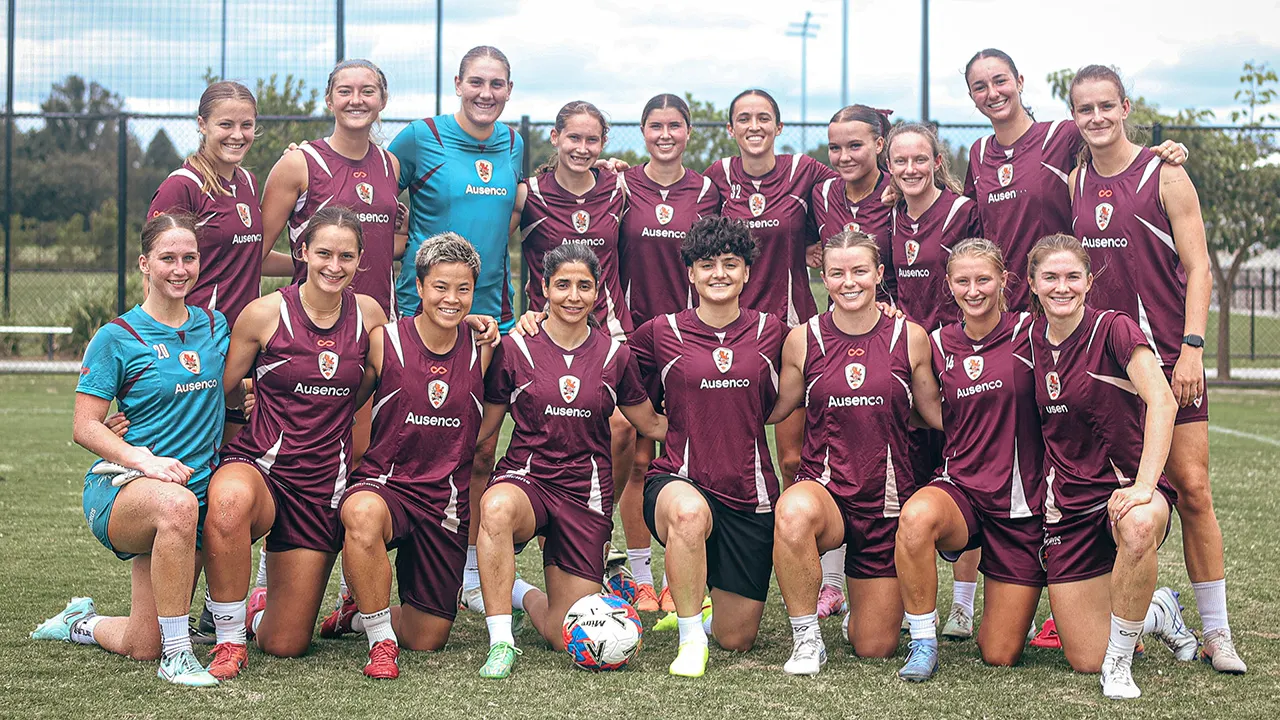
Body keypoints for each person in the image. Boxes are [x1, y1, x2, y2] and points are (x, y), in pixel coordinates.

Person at [962, 49, 1186, 648]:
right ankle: (1024, 584)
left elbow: (1112, 145)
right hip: (1012, 326)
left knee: (1094, 427)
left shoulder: (1062, 135)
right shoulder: (979, 157)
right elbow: (967, 228)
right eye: (979, 86)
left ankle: (1134, 596)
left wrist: (1166, 154)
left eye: (1000, 81)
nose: (992, 93)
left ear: (1020, 83)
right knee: (1026, 437)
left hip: (1068, 309)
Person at [1067, 65, 1242, 673]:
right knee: (1103, 491)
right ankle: (1132, 609)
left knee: (1193, 491)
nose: (1096, 118)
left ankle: (1217, 631)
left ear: (1125, 106)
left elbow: (1199, 268)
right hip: (1107, 365)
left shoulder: (1166, 172)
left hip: (1169, 358)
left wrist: (1192, 347)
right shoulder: (1076, 179)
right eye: (1084, 108)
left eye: (1105, 106)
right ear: (1074, 114)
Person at [31, 213, 228, 687]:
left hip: (188, 495)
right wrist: (144, 460)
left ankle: (80, 622)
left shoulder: (215, 325)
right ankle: (179, 657)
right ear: (144, 263)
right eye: (167, 258)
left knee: (142, 643)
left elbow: (231, 387)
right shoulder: (116, 336)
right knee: (178, 505)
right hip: (125, 491)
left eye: (189, 258)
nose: (179, 269)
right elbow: (84, 426)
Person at [199, 207, 387, 680]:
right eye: (323, 252)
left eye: (346, 255)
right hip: (260, 468)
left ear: (361, 260)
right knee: (228, 501)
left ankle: (258, 611)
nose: (333, 265)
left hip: (322, 485)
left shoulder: (369, 315)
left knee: (285, 644)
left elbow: (386, 374)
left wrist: (475, 331)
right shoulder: (264, 313)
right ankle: (226, 641)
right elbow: (218, 389)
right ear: (302, 251)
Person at [476, 243, 666, 679]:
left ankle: (521, 594)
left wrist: (724, 420)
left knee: (565, 635)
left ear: (598, 292)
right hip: (529, 480)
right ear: (543, 288)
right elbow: (485, 427)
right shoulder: (515, 347)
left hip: (585, 495)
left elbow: (650, 424)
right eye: (562, 285)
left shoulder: (615, 356)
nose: (573, 296)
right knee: (497, 507)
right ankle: (501, 641)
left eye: (584, 286)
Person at [1027, 234, 1198, 700]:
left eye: (1072, 277)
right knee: (1084, 657)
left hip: (1128, 490)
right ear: (1033, 283)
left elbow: (1162, 401)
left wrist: (1145, 486)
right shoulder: (1025, 337)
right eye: (1051, 277)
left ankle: (1120, 665)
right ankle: (1160, 611)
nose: (1062, 287)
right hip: (1069, 505)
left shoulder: (1114, 328)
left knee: (1140, 525)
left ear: (1088, 281)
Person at [322, 234, 498, 680]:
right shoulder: (385, 342)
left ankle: (359, 612)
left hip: (446, 505)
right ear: (418, 287)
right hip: (389, 489)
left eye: (463, 289)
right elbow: (338, 399)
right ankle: (380, 642)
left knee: (427, 638)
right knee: (360, 513)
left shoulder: (485, 345)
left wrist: (531, 317)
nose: (452, 299)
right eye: (440, 287)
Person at [769, 230, 942, 676]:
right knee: (791, 511)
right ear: (823, 278)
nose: (850, 281)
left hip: (887, 505)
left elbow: (934, 414)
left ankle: (861, 616)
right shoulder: (802, 339)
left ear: (879, 274)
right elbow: (773, 408)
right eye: (838, 272)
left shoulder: (912, 336)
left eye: (860, 271)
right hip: (827, 494)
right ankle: (807, 638)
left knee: (874, 646)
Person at [387, 46, 523, 614]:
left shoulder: (513, 143)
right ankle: (361, 573)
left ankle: (467, 570)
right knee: (398, 439)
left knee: (480, 446)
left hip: (491, 315)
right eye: (476, 82)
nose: (485, 93)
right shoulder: (421, 137)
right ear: (457, 83)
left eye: (496, 84)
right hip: (422, 314)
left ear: (509, 90)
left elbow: (513, 212)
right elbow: (370, 187)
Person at [631, 216, 787, 678]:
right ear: (690, 273)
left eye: (730, 264)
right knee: (688, 515)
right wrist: (664, 427)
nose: (718, 273)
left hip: (749, 493)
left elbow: (812, 372)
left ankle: (705, 607)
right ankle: (690, 637)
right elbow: (612, 373)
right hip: (679, 480)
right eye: (706, 264)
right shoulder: (660, 332)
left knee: (737, 639)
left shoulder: (773, 331)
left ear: (746, 273)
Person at [893, 238, 1045, 682]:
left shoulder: (1030, 332)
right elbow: (925, 408)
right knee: (916, 517)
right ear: (949, 285)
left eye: (984, 279)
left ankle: (1153, 608)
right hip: (961, 490)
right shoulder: (937, 343)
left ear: (1005, 281)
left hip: (1021, 507)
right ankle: (923, 643)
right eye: (963, 281)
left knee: (998, 653)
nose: (973, 290)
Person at [617, 93, 722, 612]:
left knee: (693, 456)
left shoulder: (708, 189)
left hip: (690, 340)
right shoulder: (620, 185)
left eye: (675, 126)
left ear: (688, 131)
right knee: (638, 461)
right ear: (642, 131)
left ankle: (691, 582)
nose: (665, 134)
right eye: (655, 125)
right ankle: (640, 577)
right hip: (637, 339)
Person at [260, 59, 401, 317]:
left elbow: (383, 247)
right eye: (345, 91)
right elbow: (254, 256)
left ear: (383, 101)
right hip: (315, 324)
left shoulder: (389, 164)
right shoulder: (299, 163)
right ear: (329, 100)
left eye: (367, 91)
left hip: (379, 322)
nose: (356, 100)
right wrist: (316, 265)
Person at [147, 82, 263, 331]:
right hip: (197, 336)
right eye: (225, 124)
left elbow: (249, 253)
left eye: (246, 125)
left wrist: (313, 261)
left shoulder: (249, 183)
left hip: (245, 336)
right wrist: (162, 336)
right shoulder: (181, 186)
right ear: (202, 125)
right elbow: (154, 270)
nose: (237, 135)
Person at [812, 105, 896, 302]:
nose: (844, 157)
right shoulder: (821, 194)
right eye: (835, 148)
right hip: (838, 321)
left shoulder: (898, 193)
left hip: (891, 318)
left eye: (855, 146)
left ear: (879, 144)